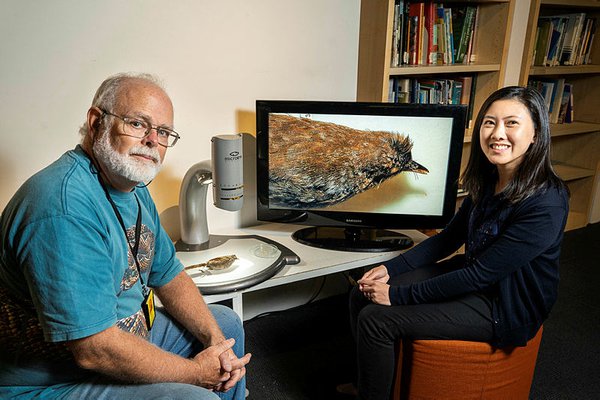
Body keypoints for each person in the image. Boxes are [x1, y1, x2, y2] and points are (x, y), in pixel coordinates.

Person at [0, 73, 251, 399]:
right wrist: (195, 374)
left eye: (162, 132)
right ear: (96, 122)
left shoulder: (132, 186)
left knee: (226, 326)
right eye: (137, 124)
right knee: (195, 397)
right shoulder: (61, 208)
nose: (151, 140)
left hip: (126, 334)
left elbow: (169, 274)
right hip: (56, 379)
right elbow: (94, 350)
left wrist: (215, 343)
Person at [347, 86, 569, 400]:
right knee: (362, 293)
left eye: (511, 123)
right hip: (477, 275)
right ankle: (369, 385)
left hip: (503, 305)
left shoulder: (547, 202)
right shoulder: (489, 179)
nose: (497, 133)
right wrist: (387, 269)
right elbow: (448, 240)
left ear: (535, 133)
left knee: (376, 320)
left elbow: (480, 277)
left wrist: (396, 295)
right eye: (489, 123)